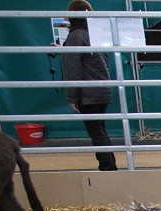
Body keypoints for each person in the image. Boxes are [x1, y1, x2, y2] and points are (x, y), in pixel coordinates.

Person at [61, 0, 117, 171]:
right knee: (100, 130)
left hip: (88, 92)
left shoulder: (76, 36)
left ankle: (107, 167)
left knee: (96, 132)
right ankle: (110, 165)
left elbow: (73, 69)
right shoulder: (94, 35)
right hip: (102, 90)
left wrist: (72, 97)